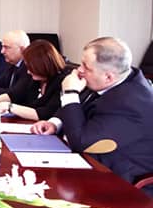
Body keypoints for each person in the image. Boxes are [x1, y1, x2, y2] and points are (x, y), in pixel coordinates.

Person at [31, 37, 153, 194]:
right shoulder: (113, 78)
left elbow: (81, 142)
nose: (79, 70)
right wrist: (55, 123)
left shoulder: (130, 102)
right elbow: (83, 103)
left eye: (86, 67)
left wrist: (70, 92)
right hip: (93, 163)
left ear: (108, 77)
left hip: (123, 183)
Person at [0, 39, 68, 120]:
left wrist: (9, 107)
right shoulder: (35, 77)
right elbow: (14, 94)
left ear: (41, 65)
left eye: (30, 67)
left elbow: (44, 114)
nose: (28, 72)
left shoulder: (61, 82)